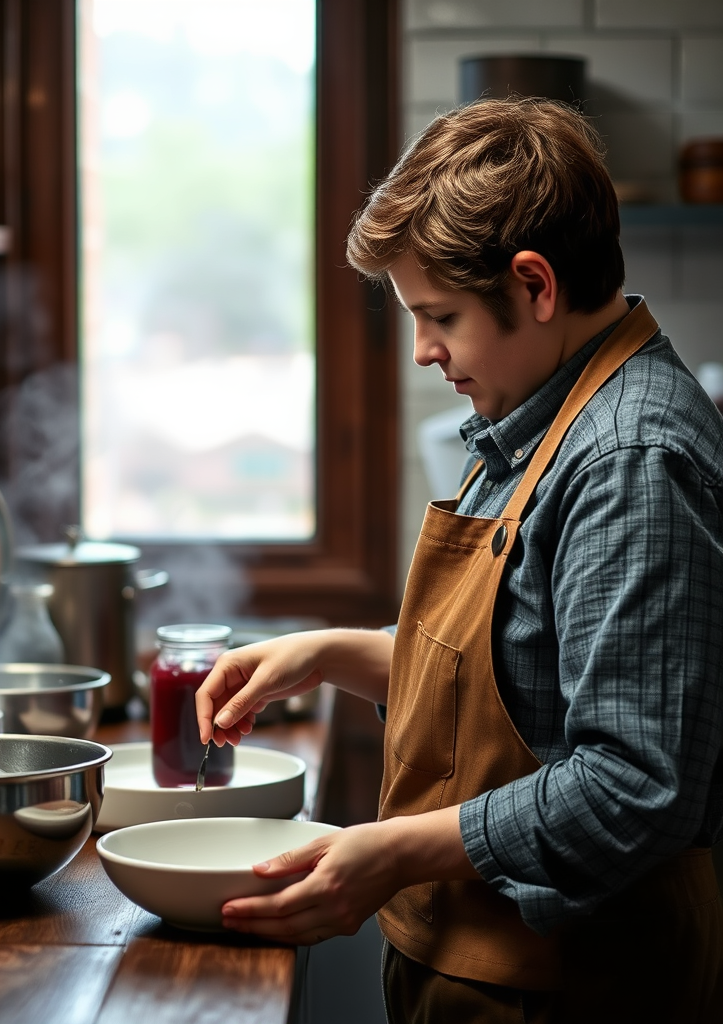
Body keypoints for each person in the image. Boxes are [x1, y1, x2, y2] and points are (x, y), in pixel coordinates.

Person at [195, 97, 723, 1023]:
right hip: (490, 969)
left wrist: (395, 849)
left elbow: (635, 786)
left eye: (438, 315)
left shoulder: (631, 461)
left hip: (574, 984)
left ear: (534, 285)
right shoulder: (535, 404)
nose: (423, 350)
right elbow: (514, 677)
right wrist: (324, 653)